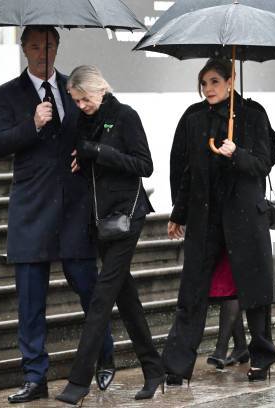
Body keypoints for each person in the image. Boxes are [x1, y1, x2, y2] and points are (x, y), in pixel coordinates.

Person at [0, 27, 114, 404]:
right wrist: (34, 124)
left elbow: (108, 123)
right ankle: (34, 377)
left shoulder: (75, 87)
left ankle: (104, 358)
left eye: (49, 44)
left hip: (74, 209)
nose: (43, 51)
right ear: (24, 48)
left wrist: (90, 149)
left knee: (90, 291)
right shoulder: (7, 94)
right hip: (31, 211)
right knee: (30, 302)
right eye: (35, 45)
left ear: (57, 46)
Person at [163, 58, 275, 384]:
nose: (208, 89)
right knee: (192, 293)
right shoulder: (194, 118)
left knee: (255, 293)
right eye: (204, 83)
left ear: (230, 81)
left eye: (214, 82)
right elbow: (187, 170)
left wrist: (237, 153)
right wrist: (179, 212)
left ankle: (262, 358)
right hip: (205, 219)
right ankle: (176, 367)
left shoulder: (253, 114)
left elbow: (263, 162)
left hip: (245, 218)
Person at [55, 65, 164, 405]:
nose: (81, 105)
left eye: (84, 99)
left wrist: (97, 152)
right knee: (126, 298)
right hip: (101, 221)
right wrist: (84, 160)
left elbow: (144, 165)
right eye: (76, 100)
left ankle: (78, 382)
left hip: (128, 218)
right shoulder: (85, 121)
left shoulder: (125, 116)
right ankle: (154, 370)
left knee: (102, 298)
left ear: (99, 90)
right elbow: (92, 165)